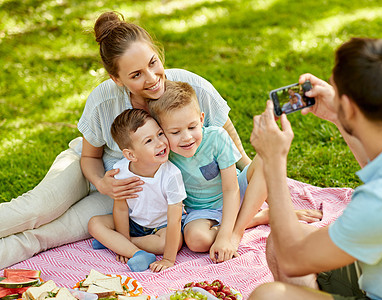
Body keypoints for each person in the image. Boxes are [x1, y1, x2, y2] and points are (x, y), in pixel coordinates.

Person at [0, 11, 251, 269]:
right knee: (37, 210)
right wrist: (101, 182)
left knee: (46, 235)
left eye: (153, 63)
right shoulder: (104, 100)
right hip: (88, 170)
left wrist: (248, 169)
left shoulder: (189, 87)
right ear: (117, 79)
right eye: (136, 75)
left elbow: (223, 129)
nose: (152, 79)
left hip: (126, 194)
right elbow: (89, 156)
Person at [249, 37, 382, 299]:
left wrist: (273, 162)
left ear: (352, 106)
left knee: (269, 296)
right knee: (280, 238)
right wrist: (337, 114)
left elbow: (292, 260)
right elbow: (380, 163)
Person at [147, 80, 267, 263]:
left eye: (192, 127)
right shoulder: (165, 154)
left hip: (236, 193)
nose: (187, 138)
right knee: (196, 241)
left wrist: (226, 236)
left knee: (267, 159)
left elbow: (230, 189)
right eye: (175, 132)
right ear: (161, 132)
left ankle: (237, 229)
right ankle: (255, 218)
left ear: (201, 119)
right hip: (201, 210)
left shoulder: (217, 137)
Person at [88, 109, 186, 273]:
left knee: (170, 243)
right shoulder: (120, 170)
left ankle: (116, 243)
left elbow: (175, 221)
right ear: (131, 155)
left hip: (162, 226)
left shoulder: (171, 175)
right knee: (94, 224)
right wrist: (123, 235)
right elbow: (120, 208)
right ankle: (136, 252)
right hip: (134, 223)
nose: (160, 143)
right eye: (149, 141)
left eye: (160, 134)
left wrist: (168, 259)